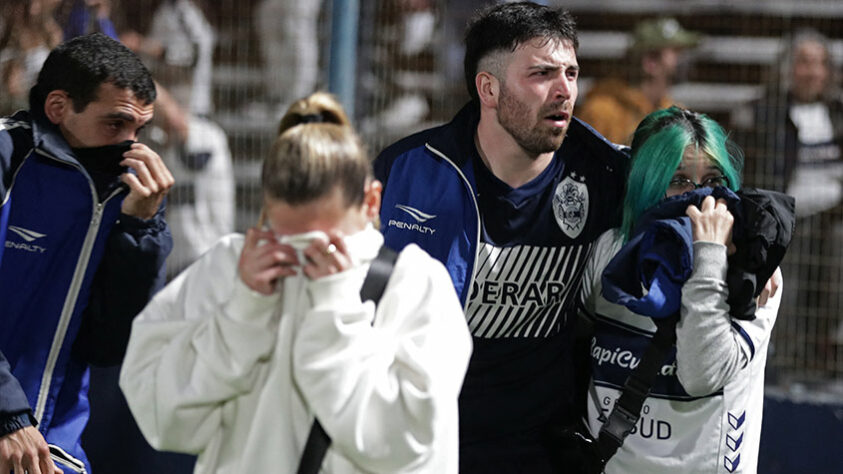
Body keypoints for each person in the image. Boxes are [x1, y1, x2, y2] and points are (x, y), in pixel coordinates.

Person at [119, 92, 472, 473]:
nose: (305, 257)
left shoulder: (416, 284)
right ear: (267, 208)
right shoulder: (229, 266)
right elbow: (162, 418)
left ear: (371, 203)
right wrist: (242, 312)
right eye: (288, 238)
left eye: (327, 241)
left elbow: (406, 444)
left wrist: (335, 313)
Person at [374, 2, 628, 472]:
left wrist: (748, 253)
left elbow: (689, 193)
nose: (564, 91)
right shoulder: (405, 174)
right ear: (488, 88)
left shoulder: (604, 171)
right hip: (420, 444)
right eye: (542, 74)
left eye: (571, 73)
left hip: (541, 451)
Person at [0, 32, 173, 474]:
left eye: (140, 129)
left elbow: (107, 343)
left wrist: (140, 229)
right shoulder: (7, 158)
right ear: (59, 108)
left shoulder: (133, 193)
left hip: (54, 444)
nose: (131, 144)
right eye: (115, 124)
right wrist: (8, 415)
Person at [580, 106, 788, 473]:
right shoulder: (609, 251)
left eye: (713, 181)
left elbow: (701, 376)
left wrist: (709, 257)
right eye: (679, 181)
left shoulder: (755, 272)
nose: (700, 199)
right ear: (648, 183)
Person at [731, 28, 843, 378]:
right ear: (788, 68)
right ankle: (782, 365)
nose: (811, 72)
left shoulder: (838, 112)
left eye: (818, 64)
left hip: (833, 221)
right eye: (803, 63)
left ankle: (823, 357)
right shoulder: (766, 112)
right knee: (786, 296)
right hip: (787, 219)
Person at [576, 17, 700, 145]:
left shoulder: (675, 114)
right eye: (676, 52)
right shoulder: (602, 112)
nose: (685, 60)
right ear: (651, 61)